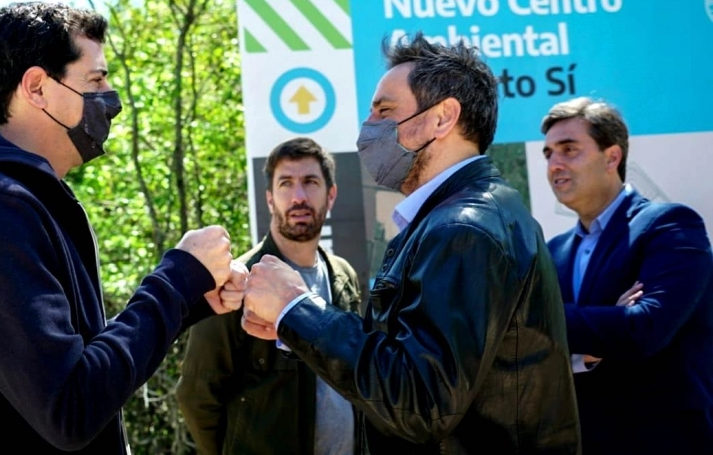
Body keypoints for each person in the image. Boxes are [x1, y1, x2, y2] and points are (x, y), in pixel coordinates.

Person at [0, 2, 247, 454]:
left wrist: (188, 299)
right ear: (37, 88)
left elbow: (73, 374)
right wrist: (176, 278)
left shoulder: (3, 201)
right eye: (96, 80)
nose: (112, 98)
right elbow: (69, 407)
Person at [241, 33, 580, 454]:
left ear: (442, 118)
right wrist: (291, 326)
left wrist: (297, 307)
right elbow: (403, 356)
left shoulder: (465, 229)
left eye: (385, 111)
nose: (369, 129)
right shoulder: (465, 216)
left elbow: (421, 401)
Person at [541, 96, 713, 454]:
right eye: (548, 154)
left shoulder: (669, 224)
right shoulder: (552, 251)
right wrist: (600, 335)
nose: (555, 164)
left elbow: (644, 329)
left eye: (569, 149)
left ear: (612, 157)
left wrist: (541, 318)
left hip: (665, 440)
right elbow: (537, 354)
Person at [176, 137, 362, 455]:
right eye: (286, 184)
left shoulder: (343, 276)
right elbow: (197, 396)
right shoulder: (237, 283)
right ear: (270, 199)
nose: (299, 196)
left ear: (330, 195)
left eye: (310, 182)